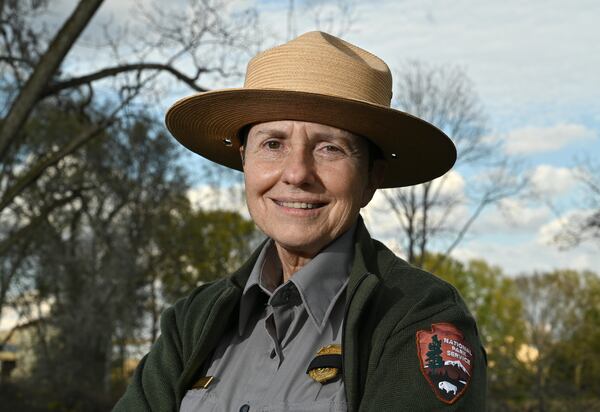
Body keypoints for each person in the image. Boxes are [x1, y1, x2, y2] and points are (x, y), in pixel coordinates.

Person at [113, 31, 487, 411]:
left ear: (372, 178)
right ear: (245, 160)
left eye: (329, 148)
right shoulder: (191, 322)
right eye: (273, 144)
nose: (296, 173)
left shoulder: (415, 317)